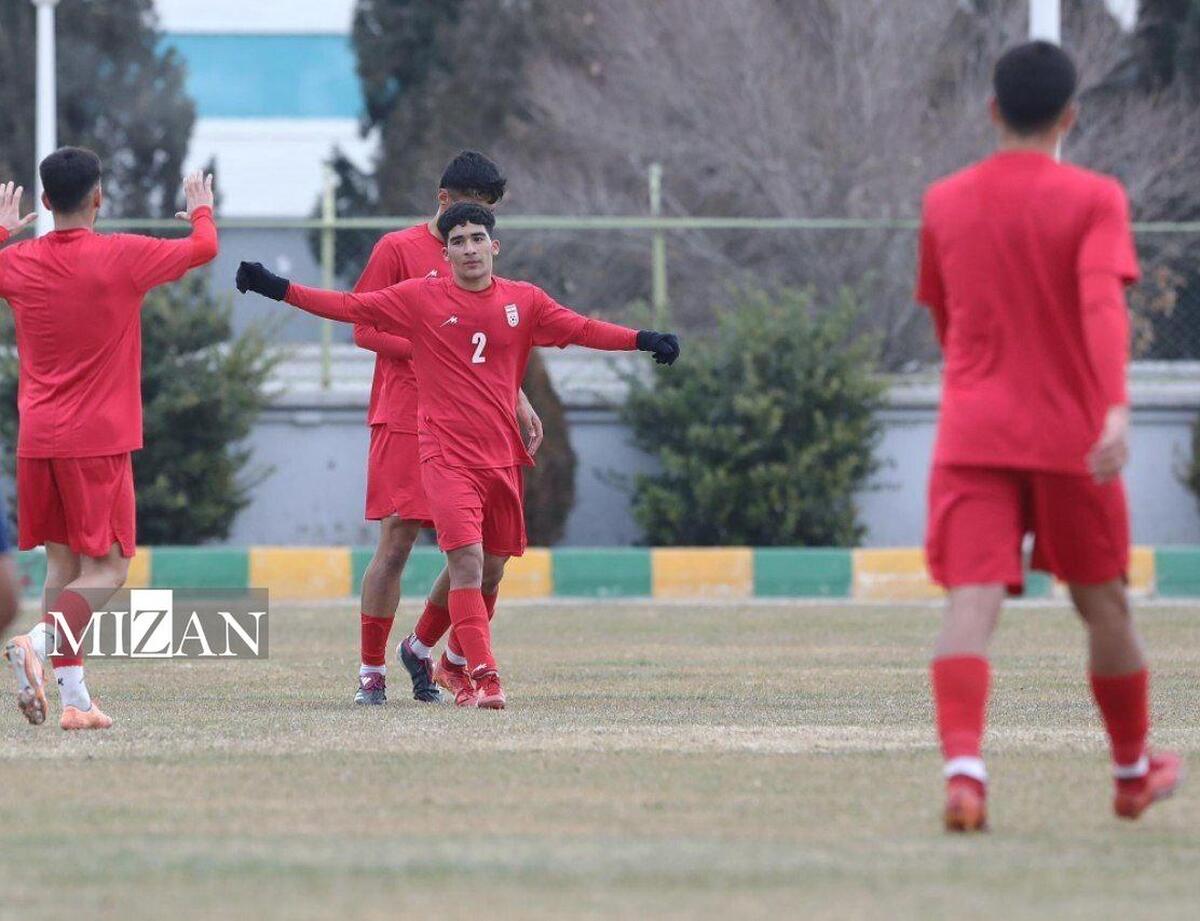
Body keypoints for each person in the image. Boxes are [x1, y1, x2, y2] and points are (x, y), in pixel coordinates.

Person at [237, 202, 679, 708]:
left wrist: (643, 339)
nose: (468, 248)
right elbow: (349, 307)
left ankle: (442, 659)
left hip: (502, 457)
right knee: (465, 561)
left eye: (476, 239)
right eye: (458, 241)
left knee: (492, 569)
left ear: (494, 246)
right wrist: (277, 286)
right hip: (444, 455)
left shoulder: (524, 301)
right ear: (444, 254)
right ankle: (485, 678)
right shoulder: (421, 298)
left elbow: (581, 329)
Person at [915, 41, 1183, 831]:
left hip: (973, 431)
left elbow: (943, 318)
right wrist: (1114, 410)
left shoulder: (944, 201)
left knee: (970, 601)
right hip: (1074, 437)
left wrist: (975, 385)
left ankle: (966, 773)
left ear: (993, 110)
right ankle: (1132, 773)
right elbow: (1103, 305)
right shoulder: (1096, 198)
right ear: (1070, 116)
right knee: (1105, 605)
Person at [0, 152, 218, 729]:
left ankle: (74, 703)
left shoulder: (18, 263)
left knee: (62, 567)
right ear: (99, 198)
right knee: (109, 570)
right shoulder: (123, 255)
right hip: (97, 438)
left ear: (44, 203)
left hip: (37, 438)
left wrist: (3, 229)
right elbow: (204, 249)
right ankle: (39, 645)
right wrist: (201, 211)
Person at [350, 150, 543, 707]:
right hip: (406, 415)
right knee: (398, 542)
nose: (476, 230)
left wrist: (517, 395)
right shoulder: (397, 250)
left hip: (473, 423)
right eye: (469, 214)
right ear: (443, 201)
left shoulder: (474, 256)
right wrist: (425, 350)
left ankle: (426, 647)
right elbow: (363, 328)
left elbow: (488, 341)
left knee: (488, 558)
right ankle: (370, 671)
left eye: (485, 220)